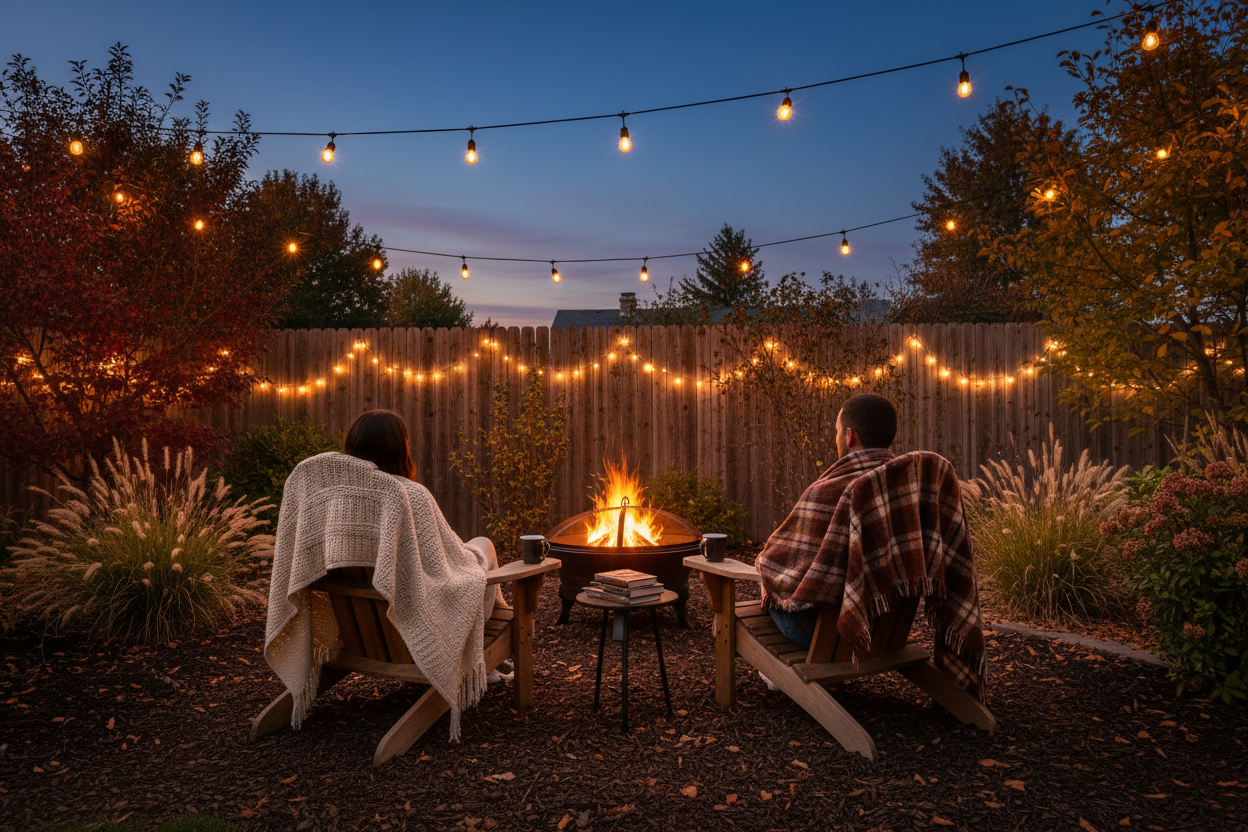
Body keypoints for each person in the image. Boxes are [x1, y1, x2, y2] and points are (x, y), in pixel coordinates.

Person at [341, 409, 512, 682]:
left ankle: (488, 665)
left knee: (478, 550)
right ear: (399, 449)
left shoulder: (337, 503)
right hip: (415, 629)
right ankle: (481, 659)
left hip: (361, 629)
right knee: (483, 547)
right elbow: (448, 557)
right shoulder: (410, 495)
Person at [755, 393, 897, 649]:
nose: (837, 437)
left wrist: (767, 566)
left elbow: (783, 563)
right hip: (888, 630)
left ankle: (777, 673)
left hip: (831, 638)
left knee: (772, 583)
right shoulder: (908, 488)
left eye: (837, 431)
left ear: (849, 436)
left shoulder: (831, 491)